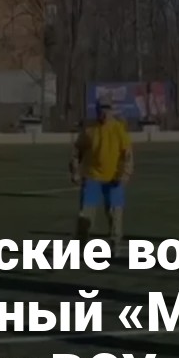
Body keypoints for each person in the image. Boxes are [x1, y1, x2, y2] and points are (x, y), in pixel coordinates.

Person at [70, 95, 133, 251]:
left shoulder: (119, 129)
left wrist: (124, 175)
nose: (104, 113)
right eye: (101, 109)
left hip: (114, 179)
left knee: (115, 215)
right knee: (85, 216)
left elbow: (127, 156)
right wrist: (75, 171)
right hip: (92, 178)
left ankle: (115, 245)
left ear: (111, 111)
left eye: (107, 109)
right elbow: (77, 151)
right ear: (97, 110)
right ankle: (80, 246)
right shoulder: (89, 130)